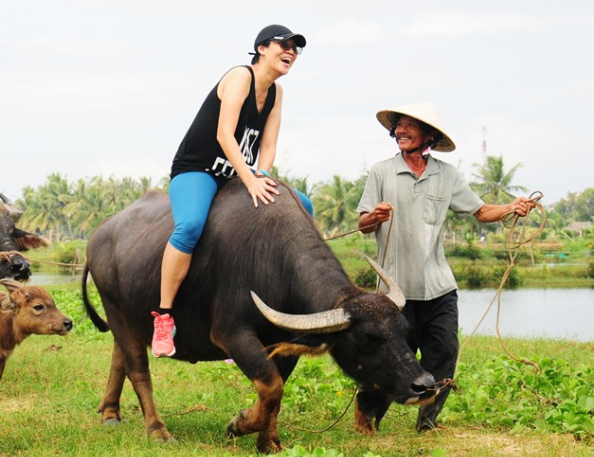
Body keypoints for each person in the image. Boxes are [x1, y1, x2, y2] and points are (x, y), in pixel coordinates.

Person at [356, 102, 534, 432]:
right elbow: (364, 224)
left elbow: (481, 211)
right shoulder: (382, 172)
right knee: (391, 358)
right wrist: (375, 217)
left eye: (410, 126)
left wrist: (512, 206)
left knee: (444, 351)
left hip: (439, 285)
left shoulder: (447, 175)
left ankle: (427, 422)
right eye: (398, 125)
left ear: (429, 136)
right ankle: (367, 416)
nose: (400, 131)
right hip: (395, 291)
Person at [151, 24, 314, 358]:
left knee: (303, 206)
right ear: (261, 48)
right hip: (197, 170)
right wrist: (250, 180)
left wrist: (262, 176)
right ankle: (164, 317)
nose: (291, 52)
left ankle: (264, 308)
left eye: (296, 49)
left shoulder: (277, 93)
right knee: (191, 226)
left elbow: (268, 144)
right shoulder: (240, 76)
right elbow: (225, 135)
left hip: (237, 176)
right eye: (284, 45)